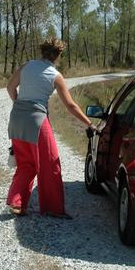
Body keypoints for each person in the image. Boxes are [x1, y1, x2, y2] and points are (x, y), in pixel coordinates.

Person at [6, 37, 94, 218]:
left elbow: (10, 87)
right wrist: (89, 123)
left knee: (25, 164)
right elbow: (71, 105)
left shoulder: (26, 66)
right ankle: (53, 209)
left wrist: (19, 104)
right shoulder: (55, 75)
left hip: (16, 118)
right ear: (58, 55)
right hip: (37, 121)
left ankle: (17, 203)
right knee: (50, 163)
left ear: (42, 51)